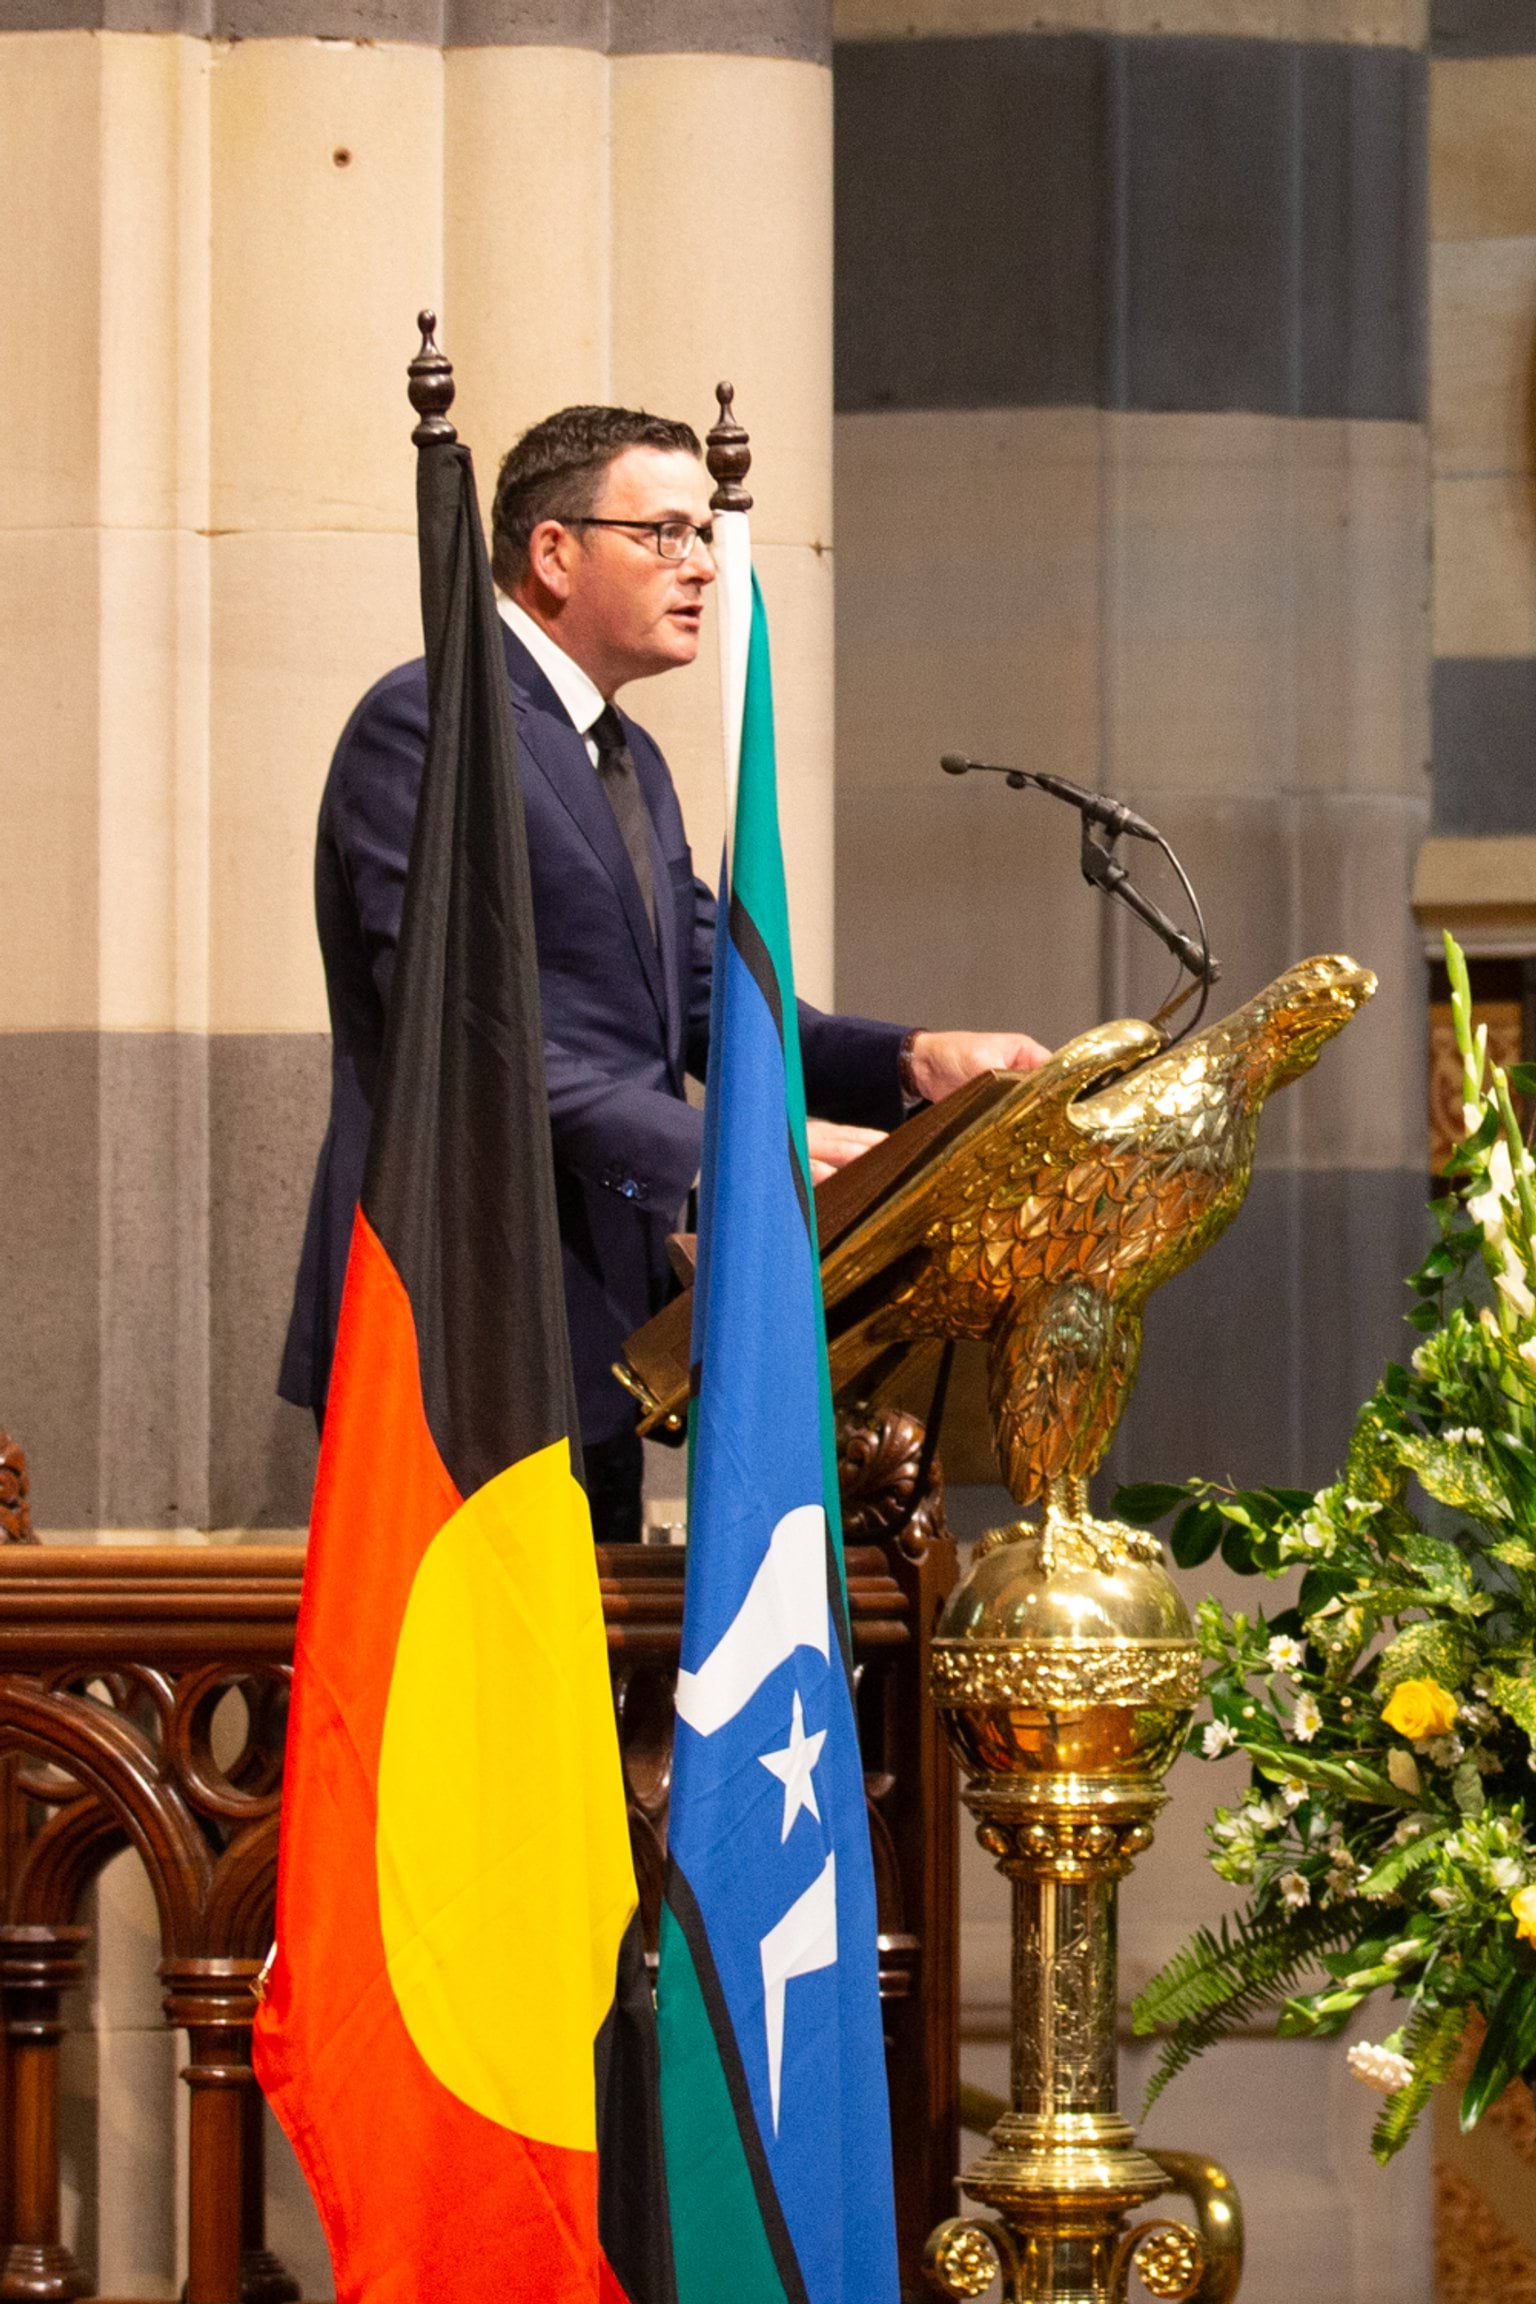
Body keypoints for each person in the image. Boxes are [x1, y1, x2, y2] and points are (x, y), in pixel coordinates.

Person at [279, 404, 1048, 1539]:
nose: (700, 569)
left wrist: (908, 1060)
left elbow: (701, 998)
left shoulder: (623, 752)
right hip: (464, 1315)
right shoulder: (436, 719)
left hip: (599, 1323)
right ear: (553, 553)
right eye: (666, 535)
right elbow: (465, 1035)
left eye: (707, 537)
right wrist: (725, 1160)